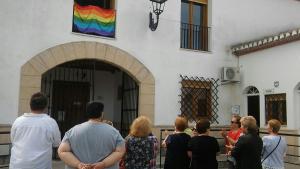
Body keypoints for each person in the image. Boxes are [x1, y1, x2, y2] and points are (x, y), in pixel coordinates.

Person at [58, 102, 125, 169]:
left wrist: (78, 164)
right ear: (102, 113)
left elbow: (63, 151)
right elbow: (120, 151)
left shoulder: (72, 131)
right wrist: (103, 164)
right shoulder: (114, 132)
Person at [10, 92, 61, 169]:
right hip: (41, 165)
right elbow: (57, 143)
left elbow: (13, 140)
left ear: (30, 105)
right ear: (45, 107)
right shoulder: (51, 122)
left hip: (17, 165)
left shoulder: (18, 121)